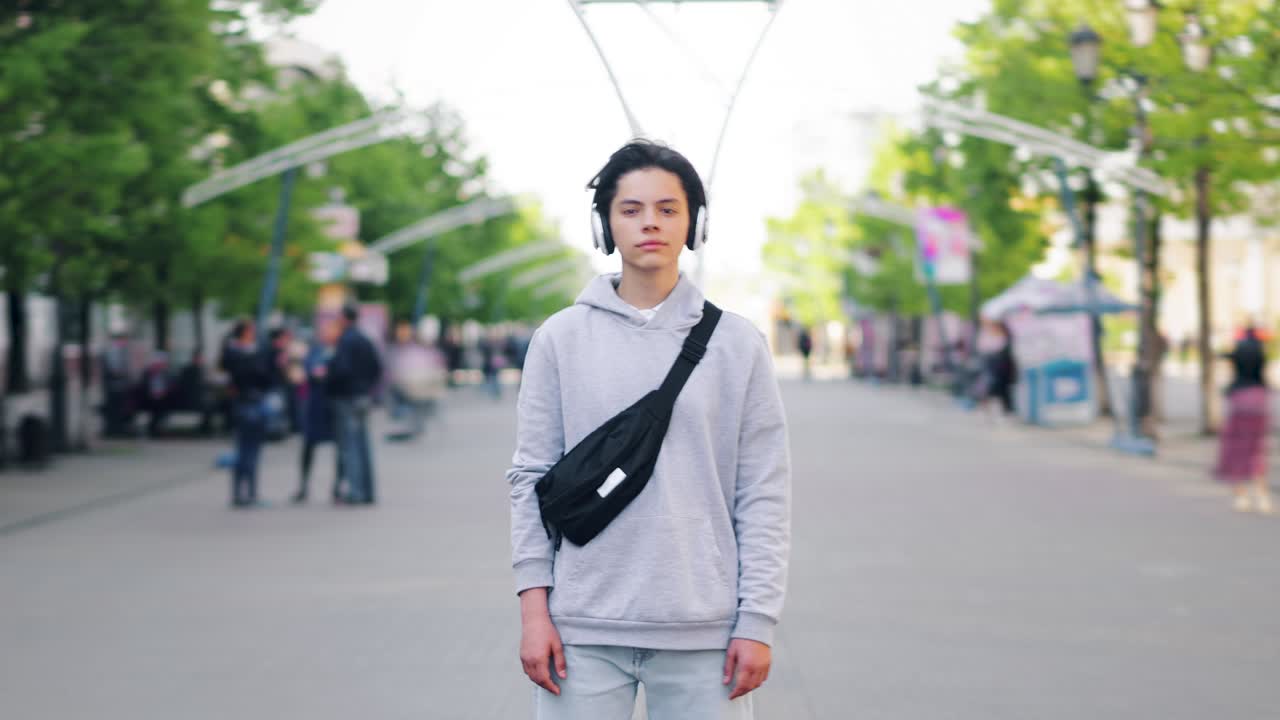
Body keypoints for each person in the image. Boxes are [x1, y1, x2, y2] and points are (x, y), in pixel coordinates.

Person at [506, 140, 791, 719]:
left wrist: (757, 621)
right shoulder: (559, 339)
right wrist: (535, 613)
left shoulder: (738, 345)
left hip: (705, 633)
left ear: (695, 223)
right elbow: (529, 479)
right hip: (581, 630)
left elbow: (763, 490)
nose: (650, 224)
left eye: (668, 209)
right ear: (605, 226)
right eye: (630, 210)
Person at [326, 305, 382, 505]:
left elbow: (341, 369)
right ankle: (367, 491)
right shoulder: (365, 339)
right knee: (363, 445)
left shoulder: (346, 340)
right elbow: (377, 367)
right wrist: (366, 387)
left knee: (350, 446)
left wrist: (328, 376)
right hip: (362, 396)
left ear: (343, 318)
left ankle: (356, 491)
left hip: (347, 397)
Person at [1214, 325, 1272, 513]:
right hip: (1258, 400)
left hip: (1239, 399)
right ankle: (1263, 496)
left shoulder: (1238, 353)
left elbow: (1225, 357)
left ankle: (1241, 496)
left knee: (1236, 451)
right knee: (1256, 452)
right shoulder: (1260, 354)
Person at [219, 319, 272, 508]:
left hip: (242, 403)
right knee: (249, 451)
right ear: (245, 333)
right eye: (251, 331)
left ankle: (242, 493)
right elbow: (264, 376)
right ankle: (247, 494)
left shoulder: (233, 353)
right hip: (250, 404)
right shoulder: (244, 354)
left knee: (245, 449)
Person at [292, 317, 342, 504]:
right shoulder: (315, 351)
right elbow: (310, 371)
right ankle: (303, 486)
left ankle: (338, 487)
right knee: (309, 445)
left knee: (340, 448)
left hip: (332, 403)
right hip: (316, 404)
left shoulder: (339, 350)